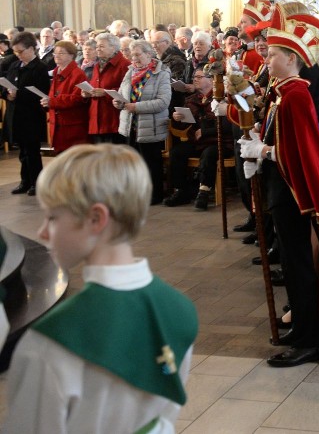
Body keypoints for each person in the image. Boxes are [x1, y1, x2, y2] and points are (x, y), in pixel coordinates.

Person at [4, 144, 198, 433]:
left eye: (52, 218)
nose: (42, 232)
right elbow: (165, 414)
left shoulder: (50, 342)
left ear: (96, 219)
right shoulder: (180, 310)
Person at [238, 4, 319, 367]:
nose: (266, 60)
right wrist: (259, 142)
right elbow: (281, 138)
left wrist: (265, 151)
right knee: (291, 262)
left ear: (291, 57)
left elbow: (300, 151)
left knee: (300, 266)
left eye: (272, 55)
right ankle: (302, 328)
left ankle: (309, 340)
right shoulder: (284, 91)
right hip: (281, 190)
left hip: (292, 194)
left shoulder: (297, 94)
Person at [165, 66, 232, 211]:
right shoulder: (191, 99)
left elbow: (228, 125)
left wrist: (206, 131)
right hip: (198, 141)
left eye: (199, 77)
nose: (195, 79)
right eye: (194, 77)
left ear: (210, 80)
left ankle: (204, 192)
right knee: (177, 152)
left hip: (219, 140)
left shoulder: (221, 97)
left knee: (209, 154)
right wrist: (178, 118)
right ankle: (181, 190)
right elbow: (186, 127)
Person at [113, 41, 171, 205]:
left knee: (151, 162)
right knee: (133, 162)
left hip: (150, 125)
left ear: (149, 54)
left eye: (138, 55)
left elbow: (163, 102)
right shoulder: (130, 71)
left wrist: (136, 107)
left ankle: (154, 195)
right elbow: (121, 93)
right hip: (131, 124)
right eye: (132, 55)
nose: (134, 59)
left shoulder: (161, 73)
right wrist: (117, 102)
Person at [1, 32, 50, 195]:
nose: (17, 55)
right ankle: (25, 181)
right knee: (21, 151)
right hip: (15, 114)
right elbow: (5, 85)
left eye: (20, 52)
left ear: (31, 48)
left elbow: (42, 92)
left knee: (32, 152)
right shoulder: (15, 66)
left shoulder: (40, 68)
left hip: (31, 116)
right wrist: (6, 93)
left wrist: (18, 94)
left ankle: (37, 182)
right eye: (15, 52)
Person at [42, 40, 90, 155]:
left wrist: (52, 102)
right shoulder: (56, 72)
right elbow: (53, 94)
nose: (57, 56)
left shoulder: (78, 74)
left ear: (71, 56)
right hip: (57, 123)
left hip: (72, 125)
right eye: (55, 53)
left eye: (61, 53)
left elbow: (77, 98)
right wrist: (46, 102)